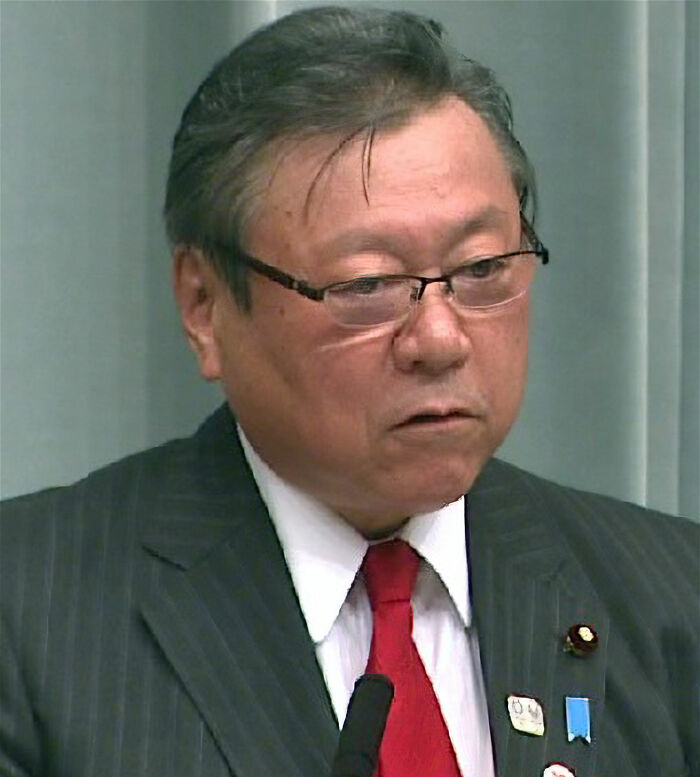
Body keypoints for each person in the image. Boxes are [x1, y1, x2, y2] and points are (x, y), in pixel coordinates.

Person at [0, 6, 697, 777]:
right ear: (204, 305)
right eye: (368, 284)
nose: (440, 338)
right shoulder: (30, 618)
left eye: (482, 270)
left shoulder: (671, 600)